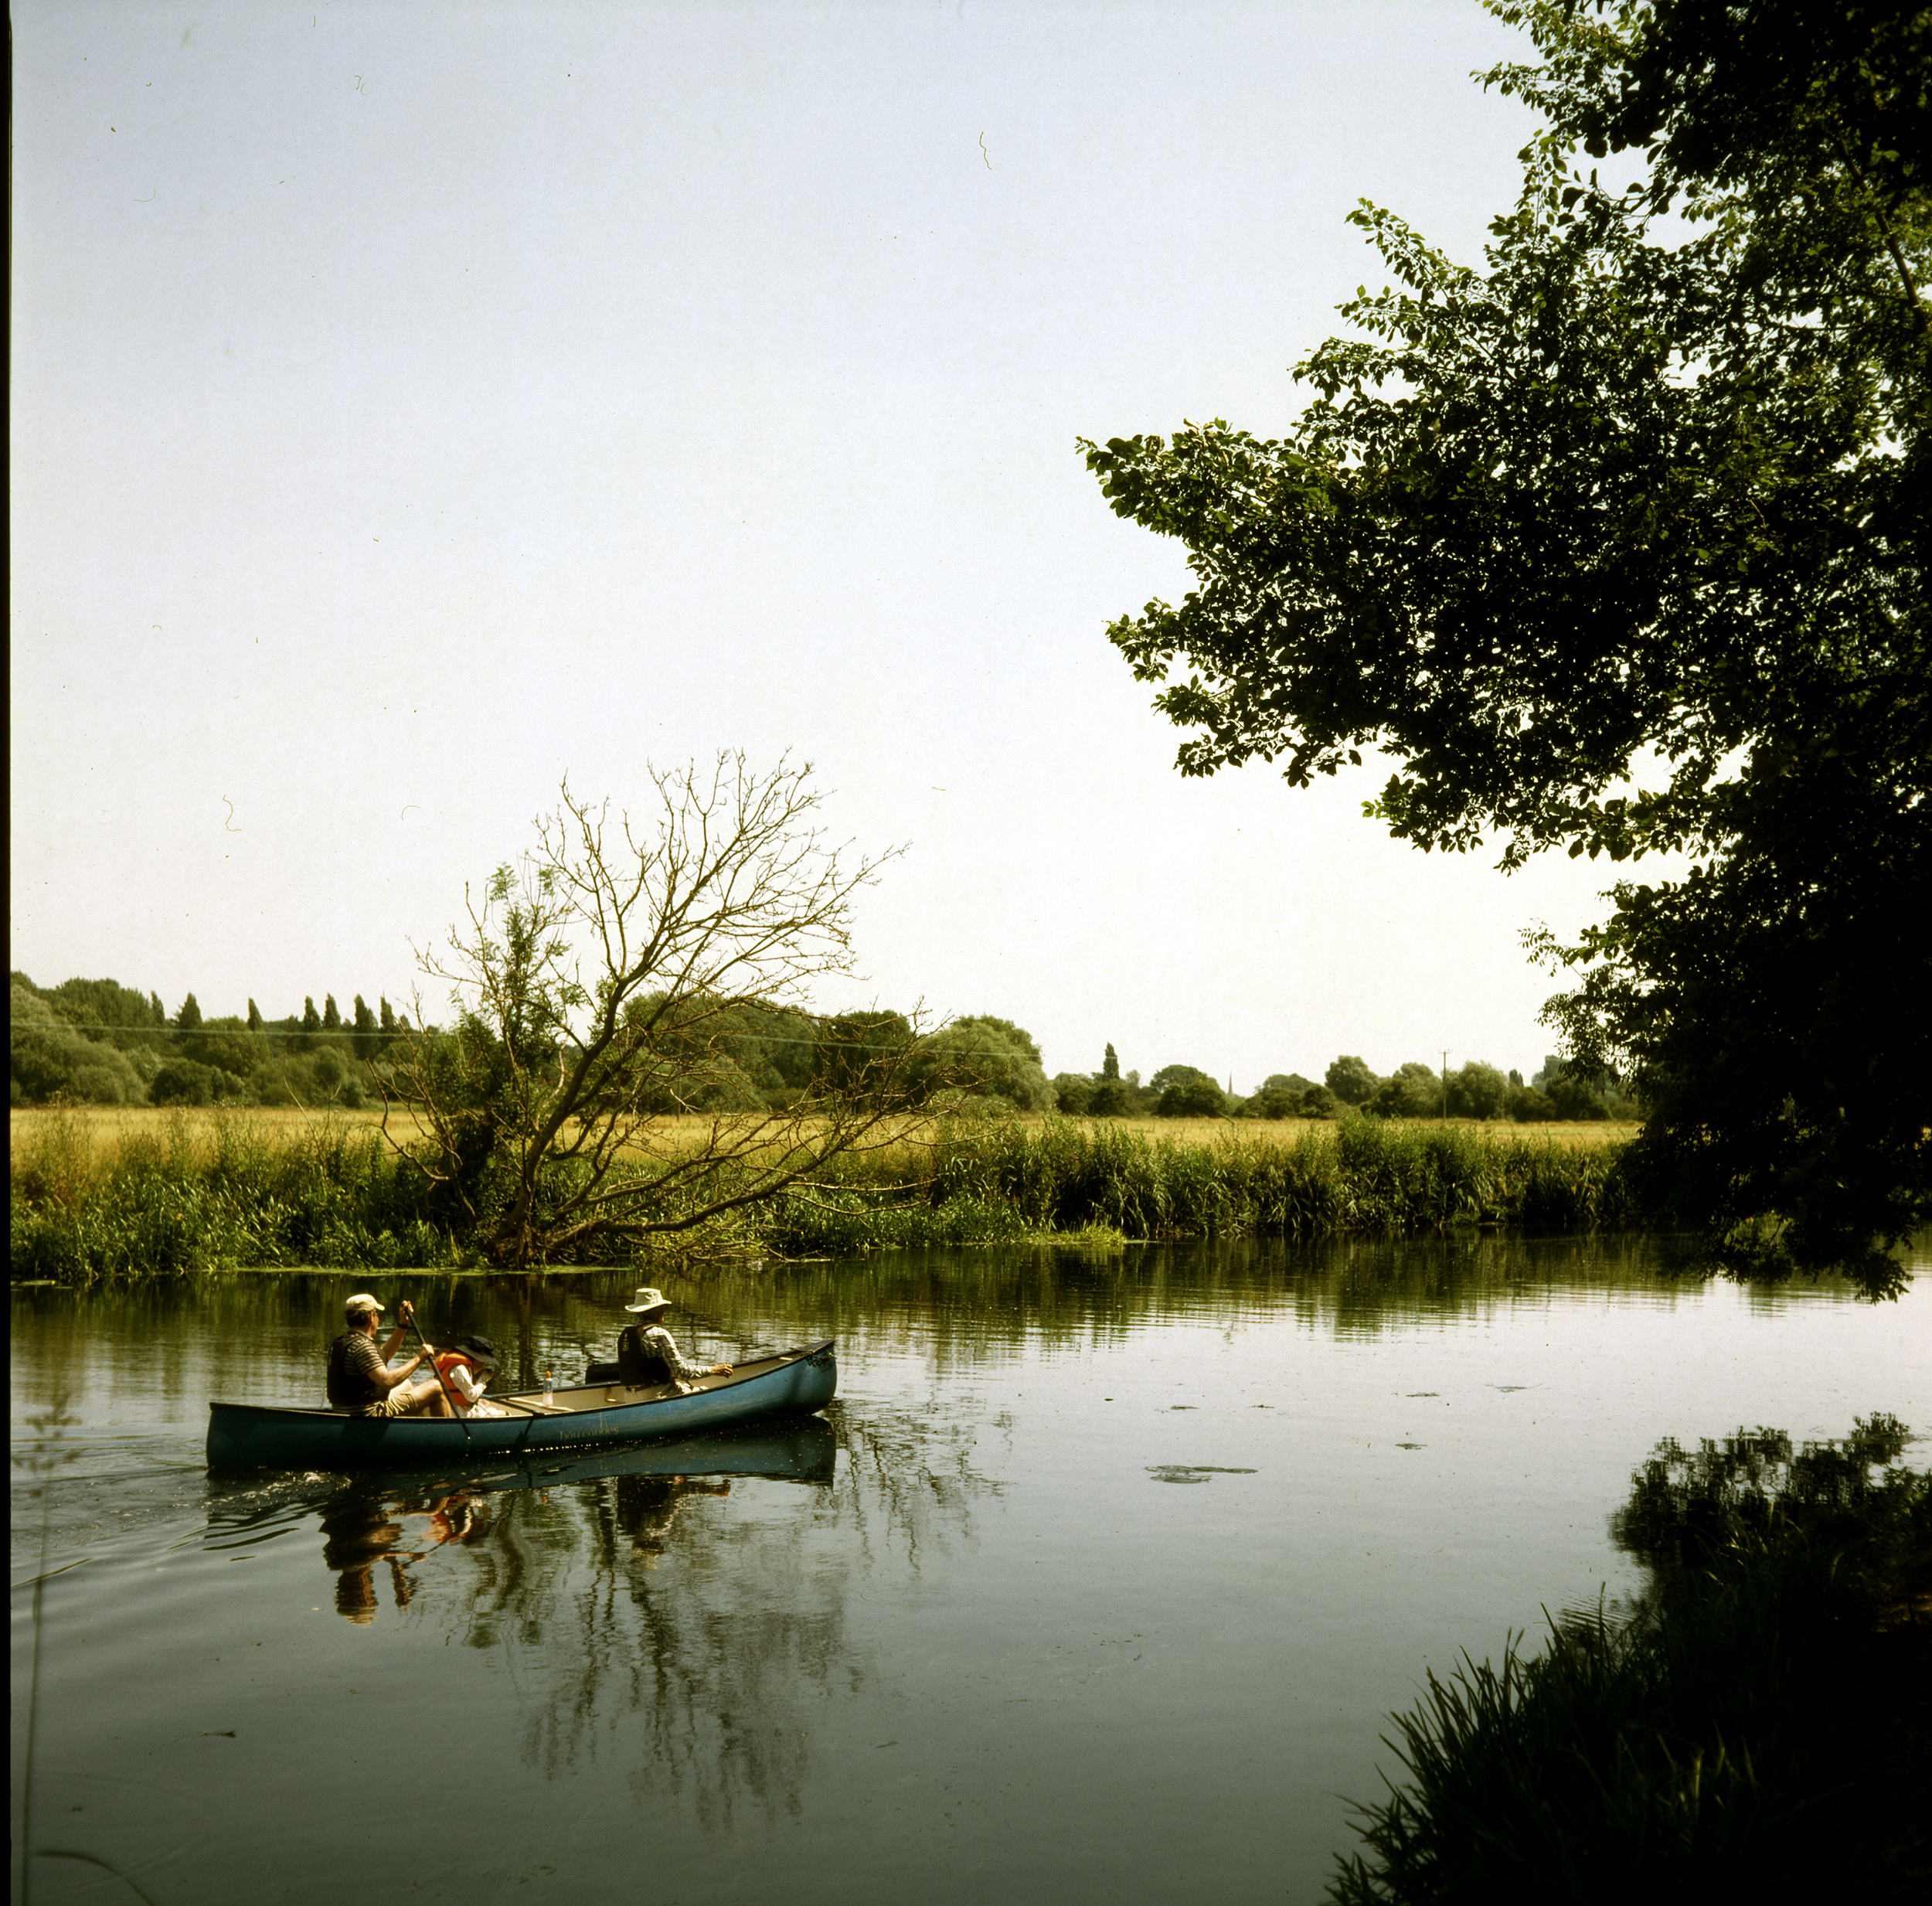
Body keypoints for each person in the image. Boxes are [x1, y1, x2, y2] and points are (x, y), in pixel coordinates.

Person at [326, 1293, 453, 1417]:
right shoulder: (362, 1346)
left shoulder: (345, 1342)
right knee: (437, 1387)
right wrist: (419, 1358)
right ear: (371, 1317)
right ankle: (447, 1434)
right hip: (368, 1414)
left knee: (406, 1384)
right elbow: (388, 1381)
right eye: (377, 1314)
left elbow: (383, 1355)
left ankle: (410, 1432)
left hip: (346, 1410)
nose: (379, 1319)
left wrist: (403, 1324)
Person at [614, 1287, 733, 1393]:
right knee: (706, 1391)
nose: (664, 1310)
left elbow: (642, 1366)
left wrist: (668, 1372)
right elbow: (682, 1372)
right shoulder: (659, 1334)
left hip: (630, 1395)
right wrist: (713, 1370)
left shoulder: (626, 1334)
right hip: (655, 1394)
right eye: (662, 1307)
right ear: (655, 1311)